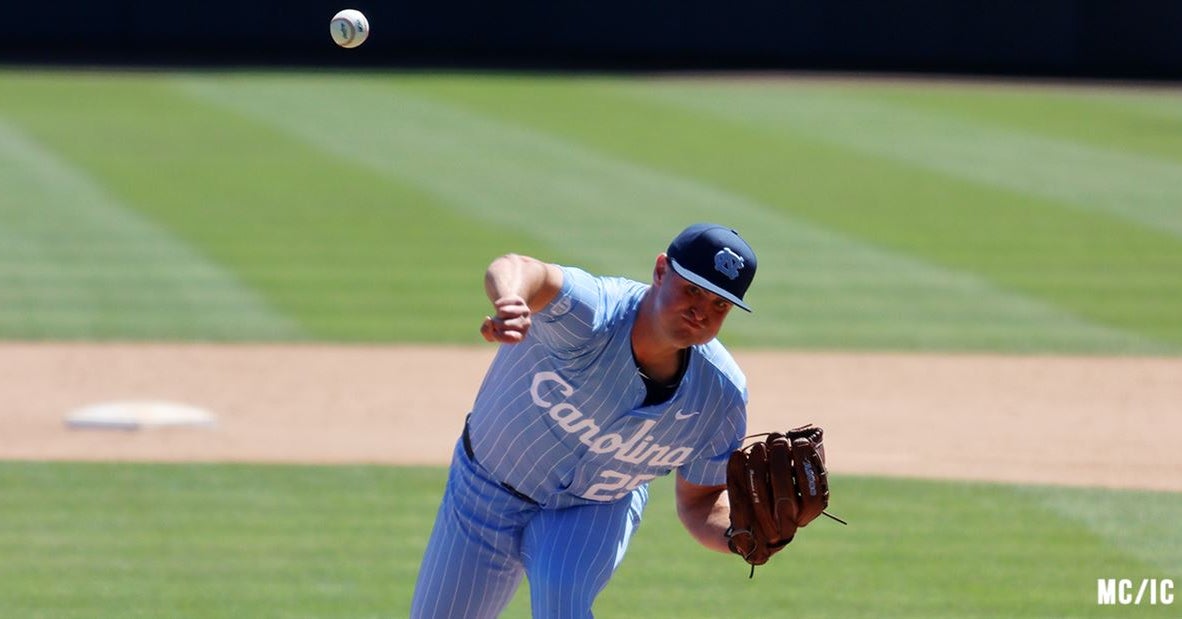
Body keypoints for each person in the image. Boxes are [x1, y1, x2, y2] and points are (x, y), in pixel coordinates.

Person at [410, 223, 758, 618]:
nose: (701, 311)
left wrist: (740, 535)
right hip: (486, 488)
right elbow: (519, 266)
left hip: (592, 509)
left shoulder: (720, 397)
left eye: (720, 304)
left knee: (563, 596)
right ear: (661, 271)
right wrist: (511, 299)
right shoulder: (591, 313)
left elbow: (700, 500)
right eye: (692, 289)